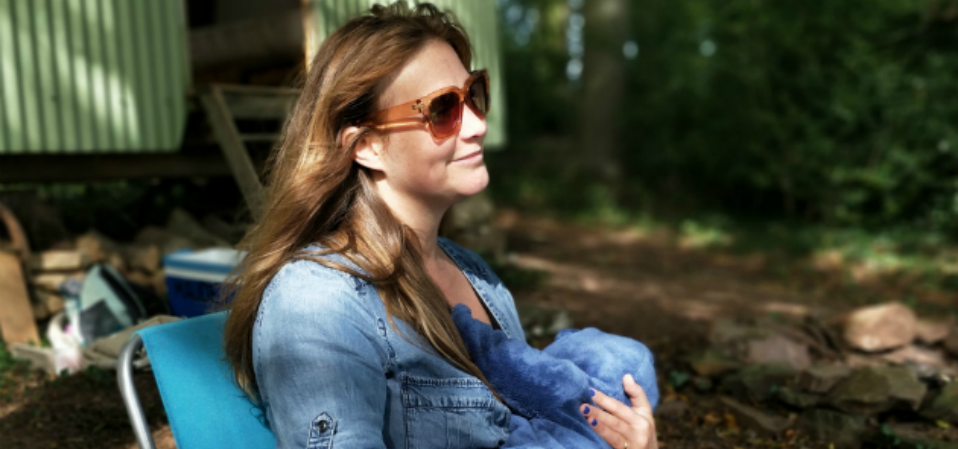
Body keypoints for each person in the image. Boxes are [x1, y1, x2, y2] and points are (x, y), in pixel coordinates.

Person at [221, 2, 658, 448]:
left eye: (474, 94)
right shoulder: (316, 302)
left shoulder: (476, 276)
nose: (476, 125)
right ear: (367, 146)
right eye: (443, 109)